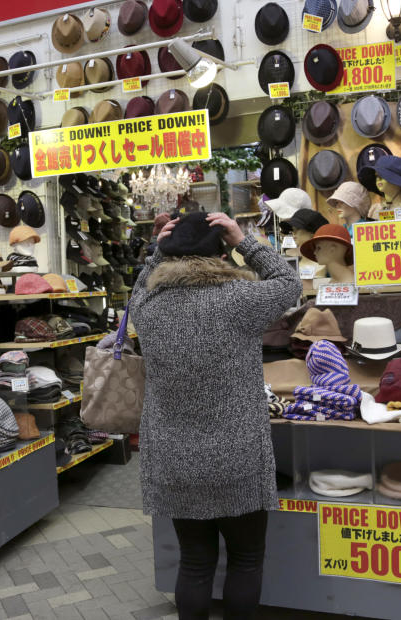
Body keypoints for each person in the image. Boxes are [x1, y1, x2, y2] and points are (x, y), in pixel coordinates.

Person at [128, 212, 301, 619]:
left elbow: (140, 286)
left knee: (194, 562)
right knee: (245, 560)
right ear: (220, 252)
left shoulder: (148, 306)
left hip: (173, 458)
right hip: (237, 456)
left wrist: (157, 252)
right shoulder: (239, 300)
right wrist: (245, 241)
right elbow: (288, 284)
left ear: (169, 253)